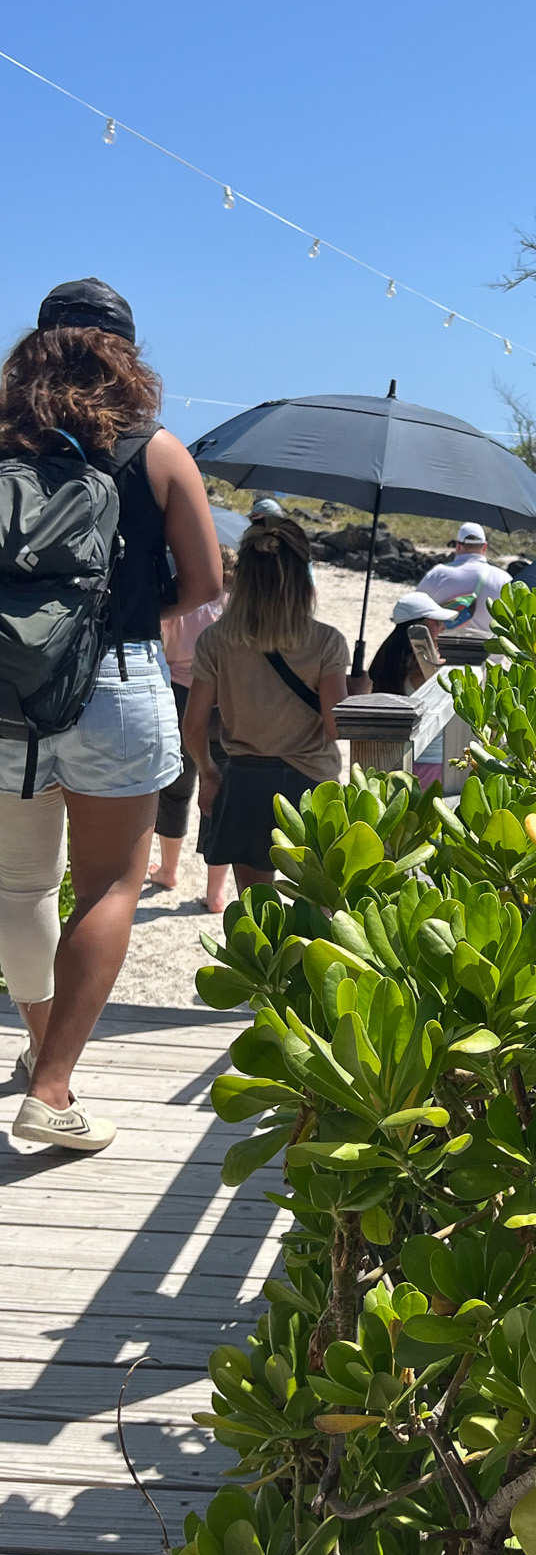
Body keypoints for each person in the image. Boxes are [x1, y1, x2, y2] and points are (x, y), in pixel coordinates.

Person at [3, 278, 222, 1153]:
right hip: (119, 683)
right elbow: (206, 585)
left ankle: (36, 1044)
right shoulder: (157, 449)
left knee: (19, 889)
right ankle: (53, 1086)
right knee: (110, 887)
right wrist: (122, 611)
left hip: (8, 688)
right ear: (126, 349)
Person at [185, 517, 347, 894]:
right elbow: (336, 726)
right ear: (302, 576)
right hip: (311, 783)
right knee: (321, 908)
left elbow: (193, 726)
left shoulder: (216, 639)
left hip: (245, 781)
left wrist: (209, 774)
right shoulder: (326, 642)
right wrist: (358, 691)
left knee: (257, 915)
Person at [150, 545, 236, 912]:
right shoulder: (236, 607)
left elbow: (161, 646)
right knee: (220, 790)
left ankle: (169, 870)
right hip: (227, 700)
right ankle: (216, 893)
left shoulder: (181, 600)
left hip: (181, 695)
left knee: (175, 787)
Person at [416, 521, 510, 636]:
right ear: (484, 547)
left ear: (458, 546)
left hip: (443, 650)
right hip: (488, 652)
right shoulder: (503, 579)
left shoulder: (437, 574)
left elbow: (415, 611)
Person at [367, 591, 453, 695]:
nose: (443, 627)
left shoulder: (389, 653)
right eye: (438, 622)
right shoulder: (419, 666)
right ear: (421, 627)